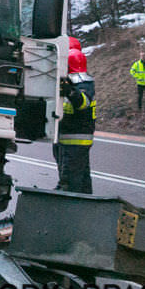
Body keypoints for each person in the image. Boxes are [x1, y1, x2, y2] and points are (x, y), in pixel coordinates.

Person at [53, 48, 97, 194]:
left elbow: (83, 103)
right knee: (82, 180)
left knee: (70, 181)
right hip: (67, 138)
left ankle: (69, 209)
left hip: (76, 140)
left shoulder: (83, 84)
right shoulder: (71, 83)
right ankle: (85, 207)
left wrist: (70, 92)